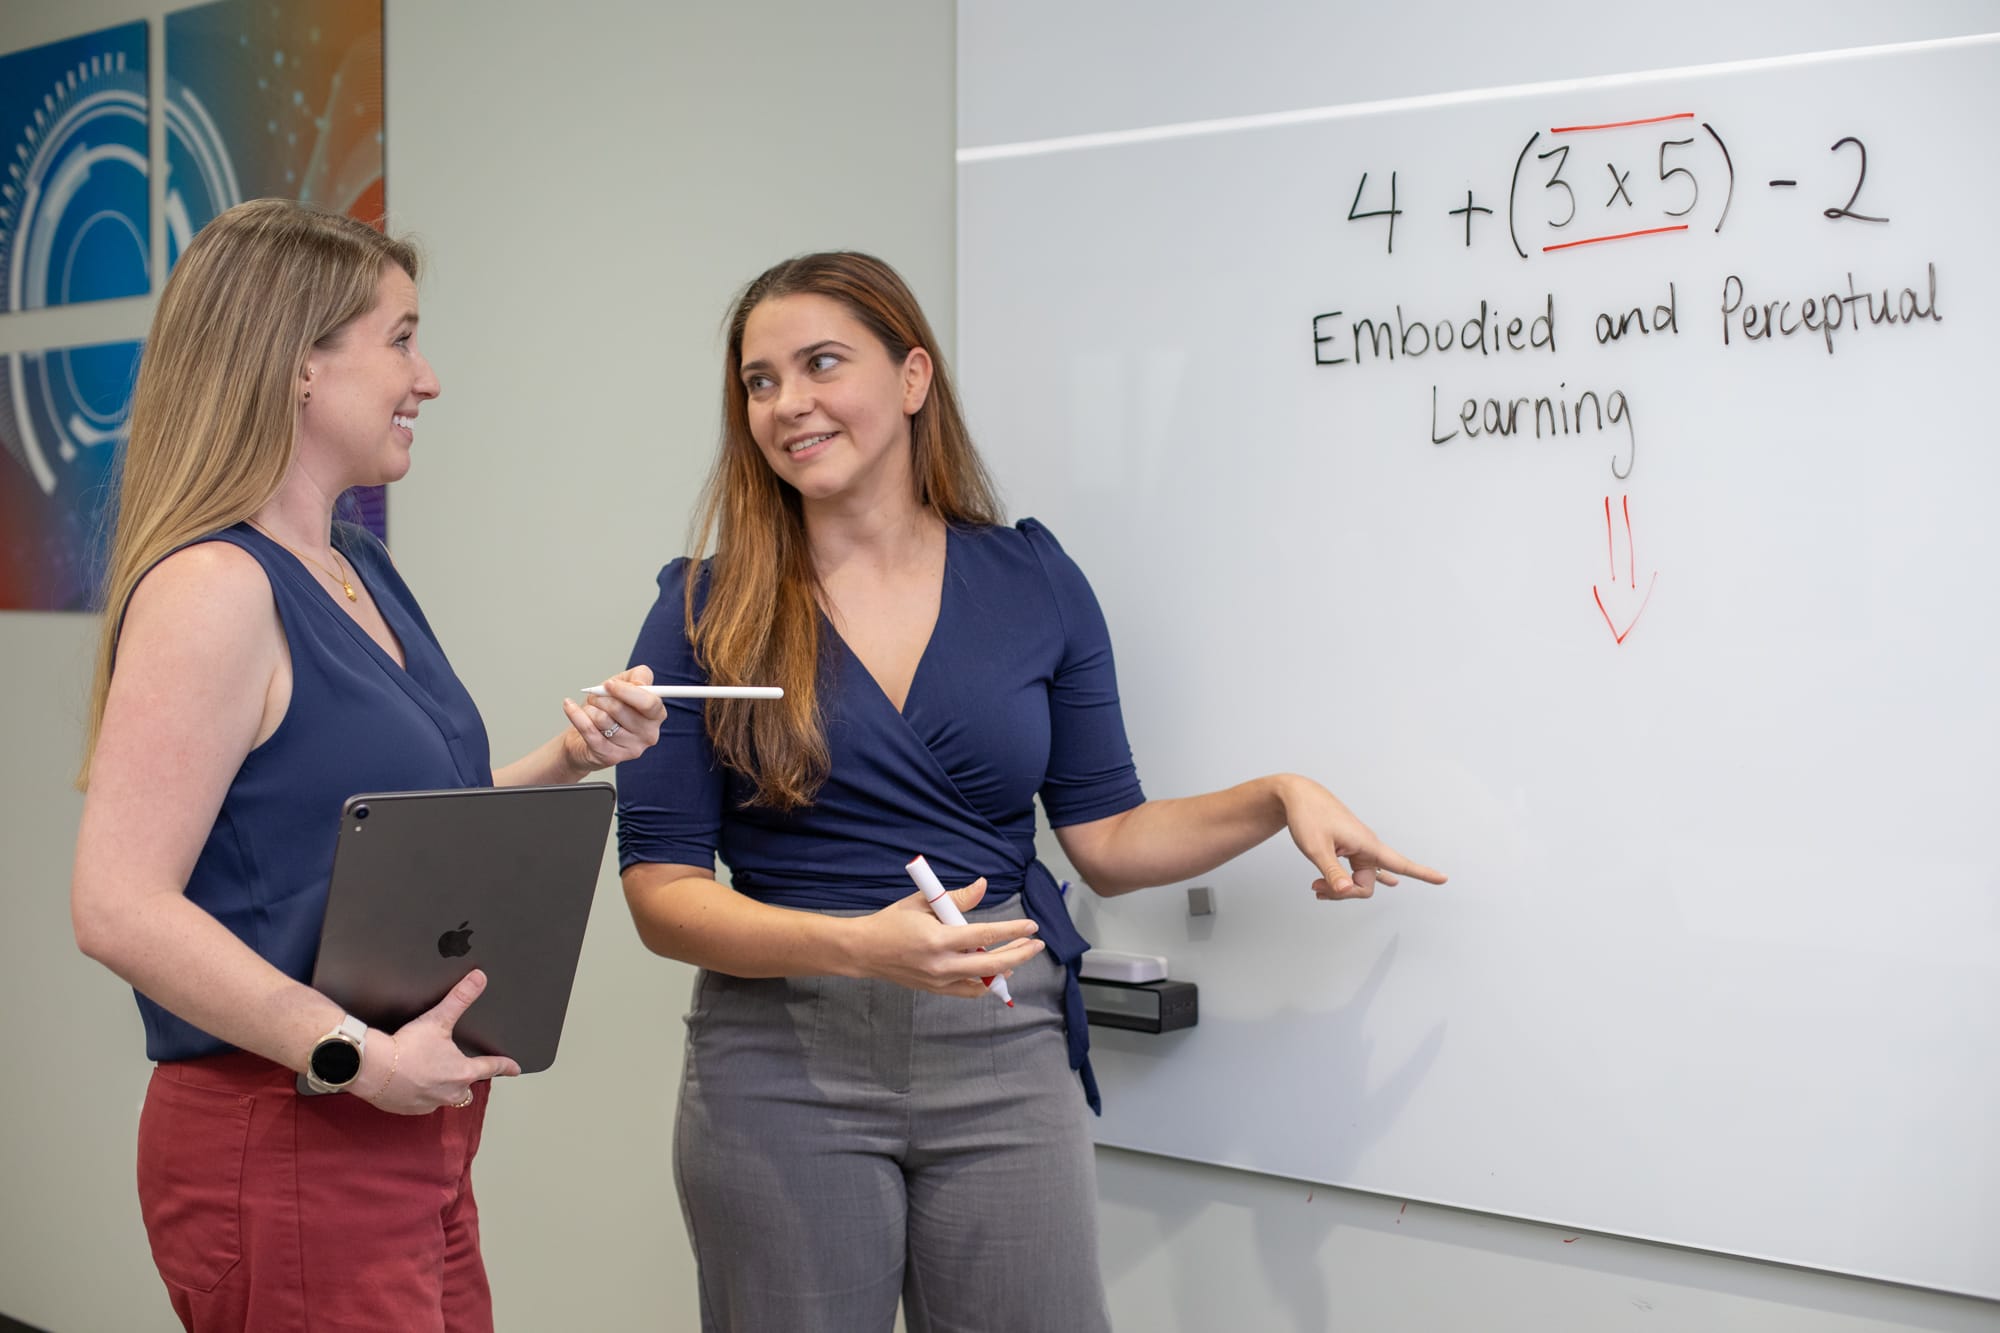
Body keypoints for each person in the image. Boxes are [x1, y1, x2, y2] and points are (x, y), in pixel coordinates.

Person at [615, 250, 1448, 1332]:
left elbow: (1104, 836)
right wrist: (859, 947)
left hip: (1002, 1046)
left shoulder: (1032, 581)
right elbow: (659, 890)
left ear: (912, 377)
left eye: (821, 363)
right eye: (759, 381)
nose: (787, 403)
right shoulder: (701, 610)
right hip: (781, 1063)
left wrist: (1273, 797)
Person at [68, 197, 668, 1333]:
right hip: (292, 1124)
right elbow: (114, 906)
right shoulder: (214, 590)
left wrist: (567, 758)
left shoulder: (356, 565)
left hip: (405, 1125)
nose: (426, 378)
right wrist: (345, 1053)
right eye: (400, 339)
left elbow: (399, 842)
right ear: (300, 367)